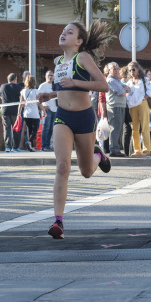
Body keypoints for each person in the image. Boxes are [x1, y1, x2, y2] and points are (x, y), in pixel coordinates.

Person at [37, 20, 112, 240]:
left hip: (84, 118)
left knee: (86, 171)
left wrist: (76, 83)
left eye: (69, 32)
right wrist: (49, 95)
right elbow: (64, 89)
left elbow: (103, 86)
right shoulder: (58, 61)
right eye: (62, 31)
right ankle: (58, 221)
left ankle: (98, 155)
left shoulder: (83, 58)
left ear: (79, 41)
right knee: (62, 167)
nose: (63, 34)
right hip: (63, 117)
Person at [126, 61, 151, 157]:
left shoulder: (144, 80)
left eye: (134, 69)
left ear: (138, 69)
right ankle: (137, 150)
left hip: (142, 104)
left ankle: (147, 150)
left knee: (145, 127)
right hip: (132, 106)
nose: (132, 72)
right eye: (130, 70)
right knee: (134, 129)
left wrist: (143, 99)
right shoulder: (129, 82)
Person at [105, 63, 129, 157]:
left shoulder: (117, 80)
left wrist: (125, 88)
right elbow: (122, 93)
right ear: (109, 70)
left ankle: (116, 149)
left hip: (121, 106)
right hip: (114, 106)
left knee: (119, 128)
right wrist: (125, 88)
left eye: (118, 68)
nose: (117, 70)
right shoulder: (111, 80)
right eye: (114, 69)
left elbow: (128, 89)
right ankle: (114, 150)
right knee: (115, 128)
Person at [19, 75, 45, 151]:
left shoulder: (23, 91)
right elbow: (39, 103)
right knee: (35, 129)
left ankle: (31, 146)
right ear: (34, 82)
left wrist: (18, 112)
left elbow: (21, 103)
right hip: (34, 113)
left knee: (29, 129)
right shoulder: (36, 91)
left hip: (26, 113)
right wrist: (44, 111)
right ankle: (29, 141)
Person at [38, 70, 56, 152]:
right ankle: (44, 145)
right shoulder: (43, 86)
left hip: (55, 109)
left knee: (52, 128)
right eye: (48, 75)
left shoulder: (55, 85)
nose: (50, 77)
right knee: (46, 127)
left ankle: (48, 145)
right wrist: (44, 106)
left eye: (51, 75)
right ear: (45, 76)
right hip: (47, 110)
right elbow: (38, 98)